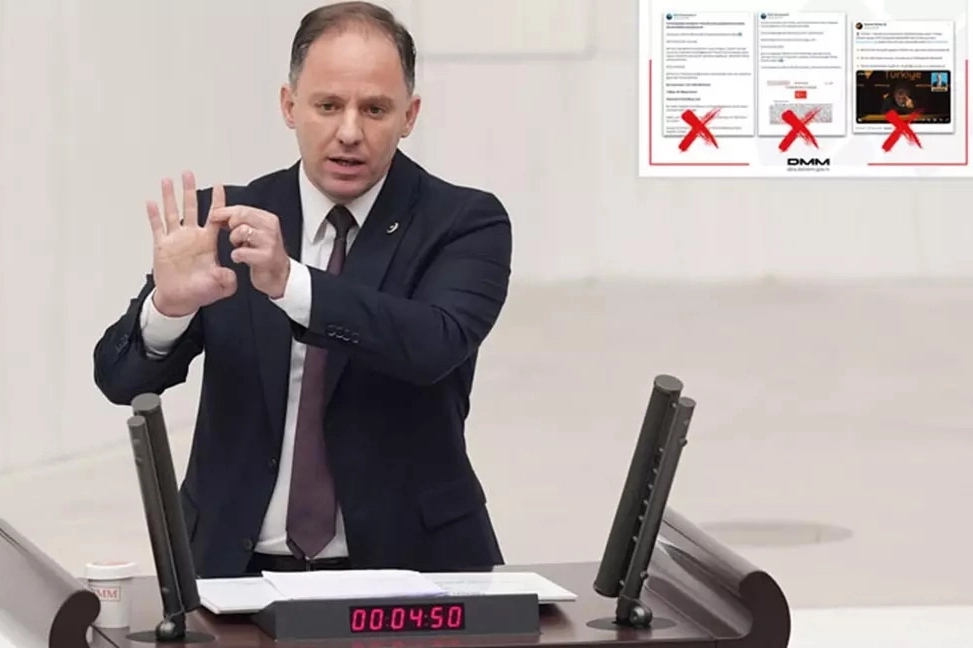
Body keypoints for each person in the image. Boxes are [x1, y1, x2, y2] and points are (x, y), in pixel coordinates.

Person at [93, 1, 511, 578]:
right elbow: (120, 380)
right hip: (234, 568)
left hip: (409, 567)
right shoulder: (225, 221)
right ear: (289, 106)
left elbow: (432, 346)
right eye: (328, 105)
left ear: (409, 115)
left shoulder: (465, 222)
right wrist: (169, 309)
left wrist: (291, 282)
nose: (349, 132)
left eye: (375, 109)